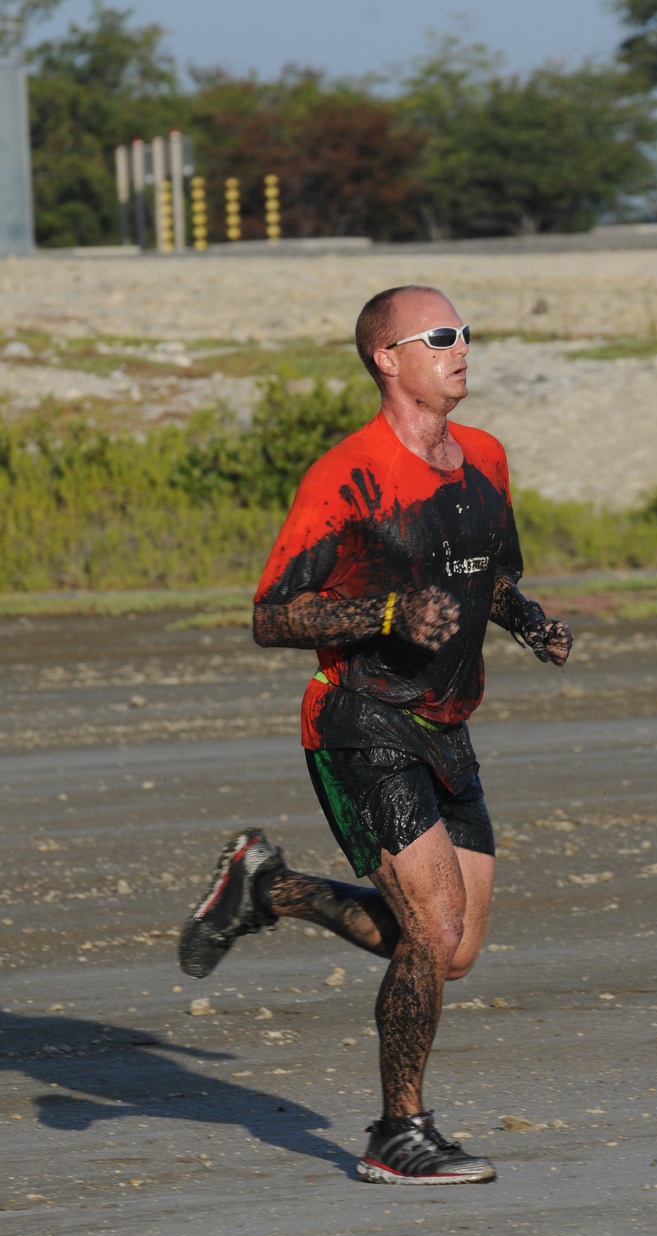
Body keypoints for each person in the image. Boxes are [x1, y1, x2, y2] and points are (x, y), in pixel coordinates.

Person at [179, 284, 572, 1185]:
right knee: (431, 931)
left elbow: (490, 577)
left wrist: (530, 621)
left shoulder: (485, 460)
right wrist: (388, 608)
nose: (462, 348)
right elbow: (272, 617)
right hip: (359, 716)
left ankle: (267, 888)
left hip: (447, 723)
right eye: (440, 336)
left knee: (455, 952)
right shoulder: (345, 475)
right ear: (387, 358)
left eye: (467, 333)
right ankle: (400, 1132)